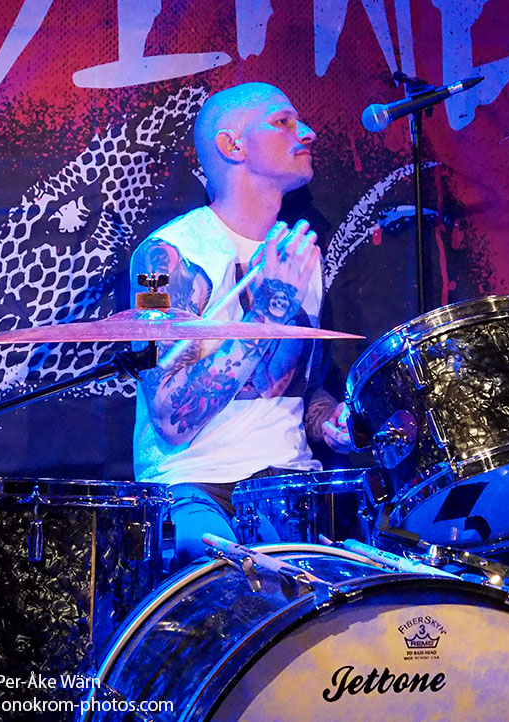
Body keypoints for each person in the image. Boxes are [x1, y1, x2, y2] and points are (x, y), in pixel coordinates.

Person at [130, 81, 352, 569]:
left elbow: (300, 392)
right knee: (224, 584)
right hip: (196, 486)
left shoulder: (299, 255)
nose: (307, 133)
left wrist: (329, 421)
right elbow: (170, 417)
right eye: (283, 122)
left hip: (290, 483)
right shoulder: (163, 257)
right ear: (232, 145)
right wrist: (266, 312)